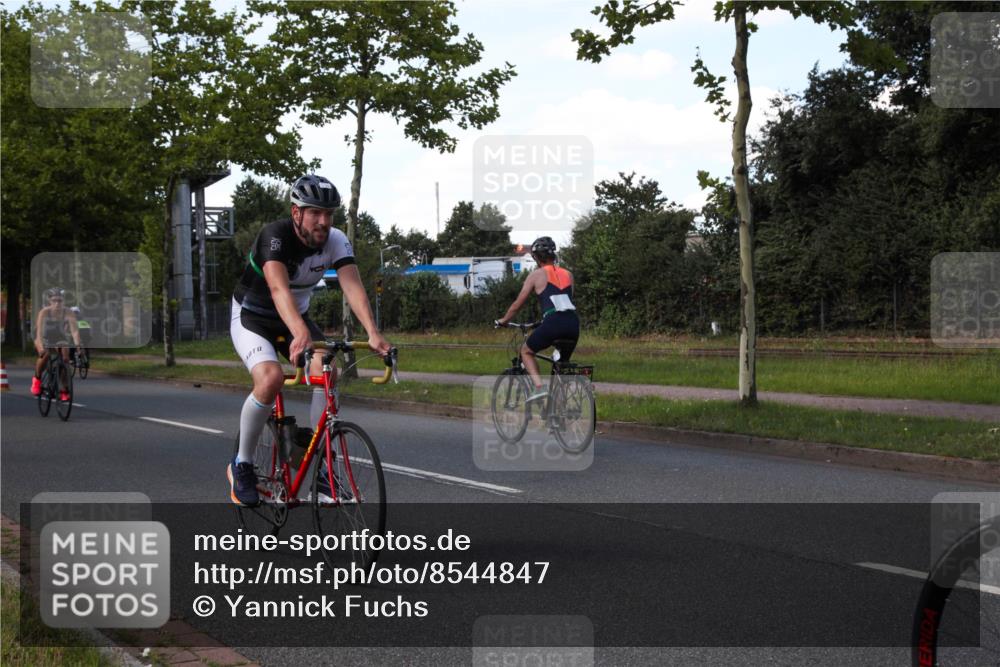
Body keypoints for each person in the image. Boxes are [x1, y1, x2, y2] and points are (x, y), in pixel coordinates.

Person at [228, 174, 392, 506]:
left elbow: (352, 286)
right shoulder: (274, 237)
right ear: (296, 213)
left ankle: (322, 473)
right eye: (315, 212)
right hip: (253, 316)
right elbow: (277, 289)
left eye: (329, 214)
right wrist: (300, 333)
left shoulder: (336, 240)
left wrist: (373, 333)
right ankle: (242, 464)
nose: (323, 221)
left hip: (295, 318)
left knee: (326, 370)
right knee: (271, 377)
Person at [496, 236, 579, 402]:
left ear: (535, 257)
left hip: (553, 323)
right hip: (573, 324)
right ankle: (558, 414)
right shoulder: (568, 274)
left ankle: (539, 387)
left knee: (526, 351)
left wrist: (504, 320)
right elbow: (566, 301)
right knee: (561, 367)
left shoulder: (536, 275)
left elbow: (517, 304)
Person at [32, 287, 82, 400]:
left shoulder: (68, 312)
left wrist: (78, 347)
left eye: (59, 300)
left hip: (59, 337)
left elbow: (74, 331)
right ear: (50, 301)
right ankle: (37, 379)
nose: (57, 303)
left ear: (63, 301)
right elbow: (39, 333)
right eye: (54, 300)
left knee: (65, 357)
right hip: (43, 336)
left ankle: (64, 388)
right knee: (45, 354)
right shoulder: (44, 312)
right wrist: (40, 348)